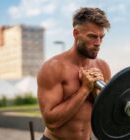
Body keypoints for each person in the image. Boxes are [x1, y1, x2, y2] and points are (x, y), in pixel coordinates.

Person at [37, 7, 111, 140]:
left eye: (101, 37)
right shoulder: (53, 68)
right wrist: (84, 89)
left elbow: (108, 116)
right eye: (92, 36)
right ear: (76, 34)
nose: (98, 43)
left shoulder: (103, 67)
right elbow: (51, 122)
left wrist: (96, 94)